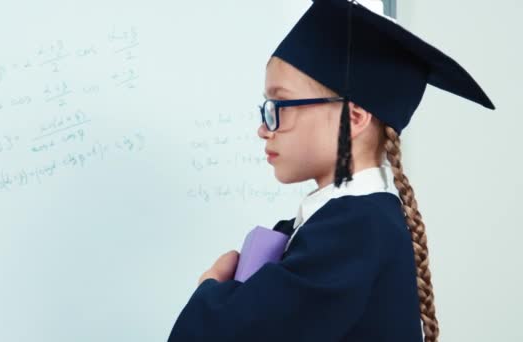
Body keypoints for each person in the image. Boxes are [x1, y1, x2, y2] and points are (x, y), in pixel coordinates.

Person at [168, 0, 495, 341]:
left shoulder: (355, 229)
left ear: (352, 118)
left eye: (279, 105)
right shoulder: (348, 222)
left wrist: (210, 287)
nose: (264, 129)